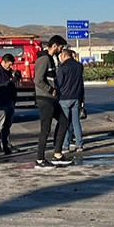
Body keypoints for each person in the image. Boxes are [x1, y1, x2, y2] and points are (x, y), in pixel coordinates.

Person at [34, 35, 72, 169]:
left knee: (64, 121)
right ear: (54, 45)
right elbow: (37, 80)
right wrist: (50, 90)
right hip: (45, 99)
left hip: (52, 99)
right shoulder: (43, 59)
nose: (61, 50)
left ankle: (57, 154)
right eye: (61, 47)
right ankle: (39, 160)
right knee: (45, 129)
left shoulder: (51, 59)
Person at [0, 53, 21, 155]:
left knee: (7, 126)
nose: (10, 67)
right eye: (9, 65)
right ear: (4, 61)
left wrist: (16, 77)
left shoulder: (9, 72)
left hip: (9, 101)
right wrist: (8, 82)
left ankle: (6, 145)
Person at [56, 49, 85, 152]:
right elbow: (81, 83)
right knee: (76, 122)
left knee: (65, 122)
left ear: (64, 56)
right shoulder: (79, 66)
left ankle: (65, 145)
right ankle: (79, 145)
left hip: (64, 98)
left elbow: (59, 83)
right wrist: (82, 98)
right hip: (76, 97)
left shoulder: (62, 68)